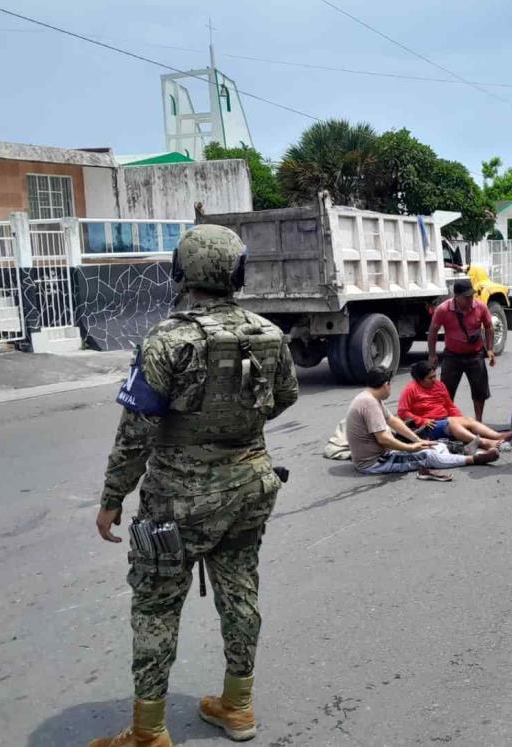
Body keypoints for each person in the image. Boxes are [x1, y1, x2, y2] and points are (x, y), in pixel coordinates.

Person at [91, 225, 300, 747]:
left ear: (182, 271)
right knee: (240, 593)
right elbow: (286, 396)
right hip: (250, 487)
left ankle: (148, 733)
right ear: (236, 272)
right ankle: (238, 706)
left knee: (156, 606)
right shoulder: (268, 335)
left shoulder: (166, 339)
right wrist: (236, 423)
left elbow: (135, 430)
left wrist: (113, 498)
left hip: (174, 503)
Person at [347, 367, 499, 480]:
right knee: (427, 456)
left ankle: (464, 451)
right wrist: (410, 447)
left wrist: (417, 440)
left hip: (382, 454)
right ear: (386, 384)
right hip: (375, 462)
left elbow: (393, 421)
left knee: (433, 444)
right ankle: (473, 459)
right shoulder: (369, 403)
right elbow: (383, 439)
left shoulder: (371, 398)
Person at [397, 360, 512, 451]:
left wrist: (461, 420)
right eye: (430, 378)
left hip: (444, 420)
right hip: (428, 426)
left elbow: (450, 406)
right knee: (453, 423)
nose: (434, 380)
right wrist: (421, 420)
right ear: (420, 380)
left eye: (435, 376)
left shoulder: (439, 385)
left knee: (467, 420)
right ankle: (485, 442)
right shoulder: (411, 389)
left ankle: (497, 435)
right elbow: (403, 412)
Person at [428, 278, 495, 421]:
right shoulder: (443, 310)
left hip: (475, 355)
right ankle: (448, 422)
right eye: (466, 297)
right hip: (452, 356)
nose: (470, 299)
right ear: (456, 296)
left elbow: (489, 326)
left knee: (479, 392)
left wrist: (490, 349)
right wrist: (432, 355)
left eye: (472, 295)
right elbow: (433, 331)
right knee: (446, 392)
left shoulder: (480, 307)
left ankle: (479, 421)